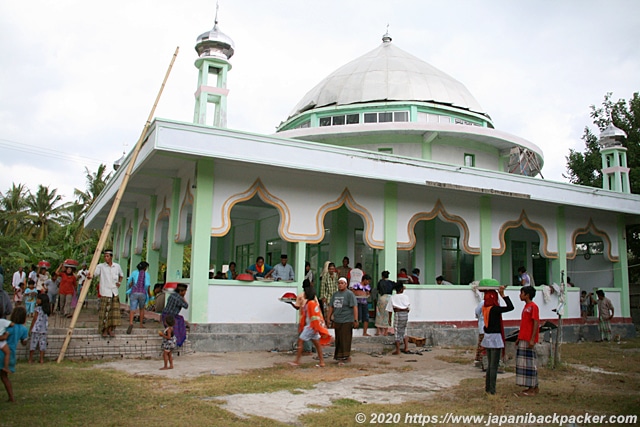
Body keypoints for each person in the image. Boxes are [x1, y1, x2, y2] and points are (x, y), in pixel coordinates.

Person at [480, 283, 514, 395]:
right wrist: (503, 295)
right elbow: (510, 307)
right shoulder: (494, 309)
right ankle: (492, 390)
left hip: (488, 338)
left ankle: (487, 388)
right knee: (494, 366)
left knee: (490, 365)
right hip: (495, 338)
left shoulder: (485, 308)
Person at [289, 285, 330, 367]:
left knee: (300, 342)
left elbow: (314, 316)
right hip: (312, 327)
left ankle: (297, 361)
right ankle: (322, 361)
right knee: (317, 344)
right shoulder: (312, 303)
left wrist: (313, 327)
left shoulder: (310, 304)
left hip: (310, 327)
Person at [89, 249, 124, 338]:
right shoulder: (101, 266)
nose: (106, 258)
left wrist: (119, 283)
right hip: (105, 292)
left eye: (107, 256)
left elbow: (121, 275)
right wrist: (89, 275)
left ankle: (110, 329)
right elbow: (94, 274)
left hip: (114, 292)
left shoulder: (117, 266)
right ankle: (104, 330)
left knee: (113, 313)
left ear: (111, 257)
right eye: (105, 256)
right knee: (105, 313)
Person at [326, 277, 357, 364]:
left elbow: (354, 307)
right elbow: (331, 307)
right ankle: (339, 356)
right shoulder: (335, 295)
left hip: (347, 319)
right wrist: (328, 318)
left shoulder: (349, 294)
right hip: (337, 320)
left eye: (342, 283)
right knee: (339, 339)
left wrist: (355, 320)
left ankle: (346, 356)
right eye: (339, 283)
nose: (340, 285)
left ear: (346, 284)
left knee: (345, 338)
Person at [516, 286, 540, 396]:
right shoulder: (526, 307)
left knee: (530, 363)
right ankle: (529, 385)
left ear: (527, 295)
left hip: (529, 338)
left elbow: (535, 322)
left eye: (522, 293)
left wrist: (532, 338)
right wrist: (519, 337)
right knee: (524, 363)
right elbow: (524, 324)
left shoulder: (533, 307)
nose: (520, 295)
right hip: (523, 337)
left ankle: (533, 386)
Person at [2, 306, 28, 402]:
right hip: (11, 354)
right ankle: (11, 397)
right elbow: (24, 342)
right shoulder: (23, 329)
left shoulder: (8, 326)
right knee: (4, 377)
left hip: (2, 351)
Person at [387, 282, 411, 355]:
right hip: (405, 314)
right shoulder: (406, 297)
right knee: (404, 330)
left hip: (397, 314)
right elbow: (408, 308)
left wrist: (390, 318)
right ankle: (406, 347)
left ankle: (398, 350)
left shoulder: (393, 297)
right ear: (401, 289)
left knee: (397, 330)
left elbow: (390, 309)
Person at [126, 261, 150, 334]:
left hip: (134, 292)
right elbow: (147, 285)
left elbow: (129, 282)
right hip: (142, 293)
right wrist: (149, 294)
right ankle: (141, 324)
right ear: (145, 268)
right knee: (142, 309)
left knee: (132, 309)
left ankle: (131, 323)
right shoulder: (146, 274)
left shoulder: (134, 273)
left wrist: (130, 289)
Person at [29, 293, 50, 364]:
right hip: (44, 329)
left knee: (33, 343)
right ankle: (41, 359)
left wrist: (31, 328)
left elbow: (35, 318)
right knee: (42, 344)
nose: (37, 300)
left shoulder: (37, 309)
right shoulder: (47, 310)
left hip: (36, 328)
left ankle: (30, 359)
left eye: (38, 299)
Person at [375, 271, 394, 336]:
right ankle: (385, 331)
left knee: (379, 313)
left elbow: (378, 290)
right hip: (389, 298)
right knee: (387, 314)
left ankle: (378, 331)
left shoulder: (380, 282)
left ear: (382, 276)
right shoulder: (391, 282)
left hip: (382, 297)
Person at [474, 300, 485, 369]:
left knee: (482, 344)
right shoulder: (496, 302)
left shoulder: (483, 302)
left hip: (483, 326)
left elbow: (477, 312)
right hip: (486, 327)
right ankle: (481, 360)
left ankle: (480, 360)